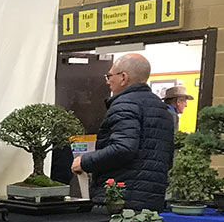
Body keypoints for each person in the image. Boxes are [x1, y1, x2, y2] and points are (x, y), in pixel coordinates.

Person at [71, 53, 174, 211]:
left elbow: (123, 148)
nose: (107, 81)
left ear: (123, 77)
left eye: (109, 76)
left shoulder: (124, 104)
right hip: (151, 202)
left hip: (119, 202)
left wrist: (85, 162)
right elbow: (168, 158)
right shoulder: (163, 109)